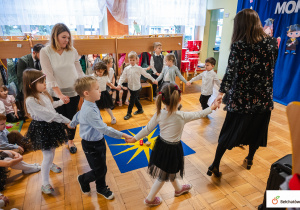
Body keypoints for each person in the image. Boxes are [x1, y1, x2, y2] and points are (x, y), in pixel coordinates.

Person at [207, 9, 278, 178]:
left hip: (241, 99)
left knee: (228, 132)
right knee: (257, 131)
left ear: (241, 25)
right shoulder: (272, 43)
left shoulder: (239, 45)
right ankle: (250, 159)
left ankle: (215, 164)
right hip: (263, 98)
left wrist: (221, 93)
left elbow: (230, 72)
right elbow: (271, 69)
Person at [126, 83, 220, 206]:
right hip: (172, 149)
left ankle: (178, 189)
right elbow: (200, 114)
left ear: (162, 99)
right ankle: (150, 198)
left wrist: (134, 138)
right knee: (164, 175)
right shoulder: (182, 116)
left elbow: (147, 129)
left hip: (161, 146)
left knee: (169, 170)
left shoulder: (159, 113)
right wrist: (212, 107)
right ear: (179, 99)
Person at [69, 76, 131, 199]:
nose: (100, 91)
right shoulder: (89, 110)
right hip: (91, 145)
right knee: (99, 170)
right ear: (86, 93)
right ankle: (83, 179)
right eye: (97, 89)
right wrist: (122, 135)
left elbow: (78, 114)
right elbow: (104, 128)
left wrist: (72, 123)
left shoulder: (90, 104)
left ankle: (100, 188)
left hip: (99, 141)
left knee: (101, 167)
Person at [23, 69, 71, 194]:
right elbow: (48, 114)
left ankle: (50, 165)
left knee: (53, 149)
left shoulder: (43, 94)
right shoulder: (30, 100)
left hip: (51, 126)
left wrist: (61, 101)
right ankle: (44, 183)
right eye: (42, 82)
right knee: (48, 154)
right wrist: (65, 120)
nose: (45, 84)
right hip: (42, 128)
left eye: (44, 81)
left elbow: (50, 106)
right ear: (31, 85)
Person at [40, 23, 85, 154]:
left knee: (71, 118)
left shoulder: (72, 51)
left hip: (73, 91)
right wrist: (59, 95)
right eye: (64, 37)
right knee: (59, 118)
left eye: (68, 37)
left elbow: (79, 71)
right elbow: (49, 75)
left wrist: (84, 88)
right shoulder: (45, 51)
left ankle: (70, 141)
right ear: (55, 36)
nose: (67, 40)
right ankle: (63, 137)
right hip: (55, 92)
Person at [117, 51, 158, 120]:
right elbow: (122, 77)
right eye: (130, 60)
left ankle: (128, 113)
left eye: (133, 60)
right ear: (128, 60)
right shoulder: (126, 69)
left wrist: (153, 80)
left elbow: (146, 74)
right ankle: (140, 109)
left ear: (136, 60)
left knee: (132, 101)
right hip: (130, 87)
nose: (132, 61)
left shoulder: (139, 68)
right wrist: (119, 84)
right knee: (135, 99)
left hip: (137, 87)